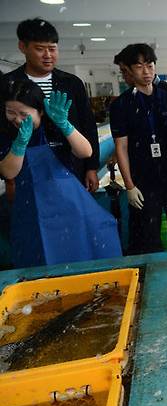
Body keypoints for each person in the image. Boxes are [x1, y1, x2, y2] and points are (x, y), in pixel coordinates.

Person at [0, 80, 121, 267]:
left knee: (82, 253)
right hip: (31, 212)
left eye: (24, 114)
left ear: (40, 111)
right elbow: (8, 171)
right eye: (11, 112)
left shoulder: (53, 129)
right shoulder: (7, 134)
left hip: (69, 209)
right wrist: (19, 145)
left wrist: (64, 124)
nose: (17, 119)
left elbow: (85, 152)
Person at [2, 18, 100, 192]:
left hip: (69, 164)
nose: (48, 55)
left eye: (52, 49)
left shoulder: (71, 83)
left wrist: (91, 167)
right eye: (40, 49)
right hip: (25, 167)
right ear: (23, 47)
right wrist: (8, 179)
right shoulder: (8, 84)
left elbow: (87, 125)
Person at [110, 44, 167, 255]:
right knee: (148, 234)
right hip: (144, 178)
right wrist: (129, 185)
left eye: (150, 65)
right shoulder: (121, 105)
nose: (147, 71)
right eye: (139, 66)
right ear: (128, 70)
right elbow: (121, 147)